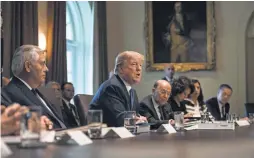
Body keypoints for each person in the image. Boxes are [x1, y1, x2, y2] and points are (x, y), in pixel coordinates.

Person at [2, 45, 66, 129]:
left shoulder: (36, 91)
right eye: (42, 64)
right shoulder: (10, 93)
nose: (46, 69)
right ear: (28, 66)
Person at [89, 51, 147, 127]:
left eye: (140, 65)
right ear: (120, 69)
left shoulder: (132, 91)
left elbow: (135, 116)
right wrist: (138, 119)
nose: (139, 69)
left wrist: (140, 118)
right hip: (103, 136)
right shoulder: (111, 87)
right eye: (134, 64)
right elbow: (120, 119)